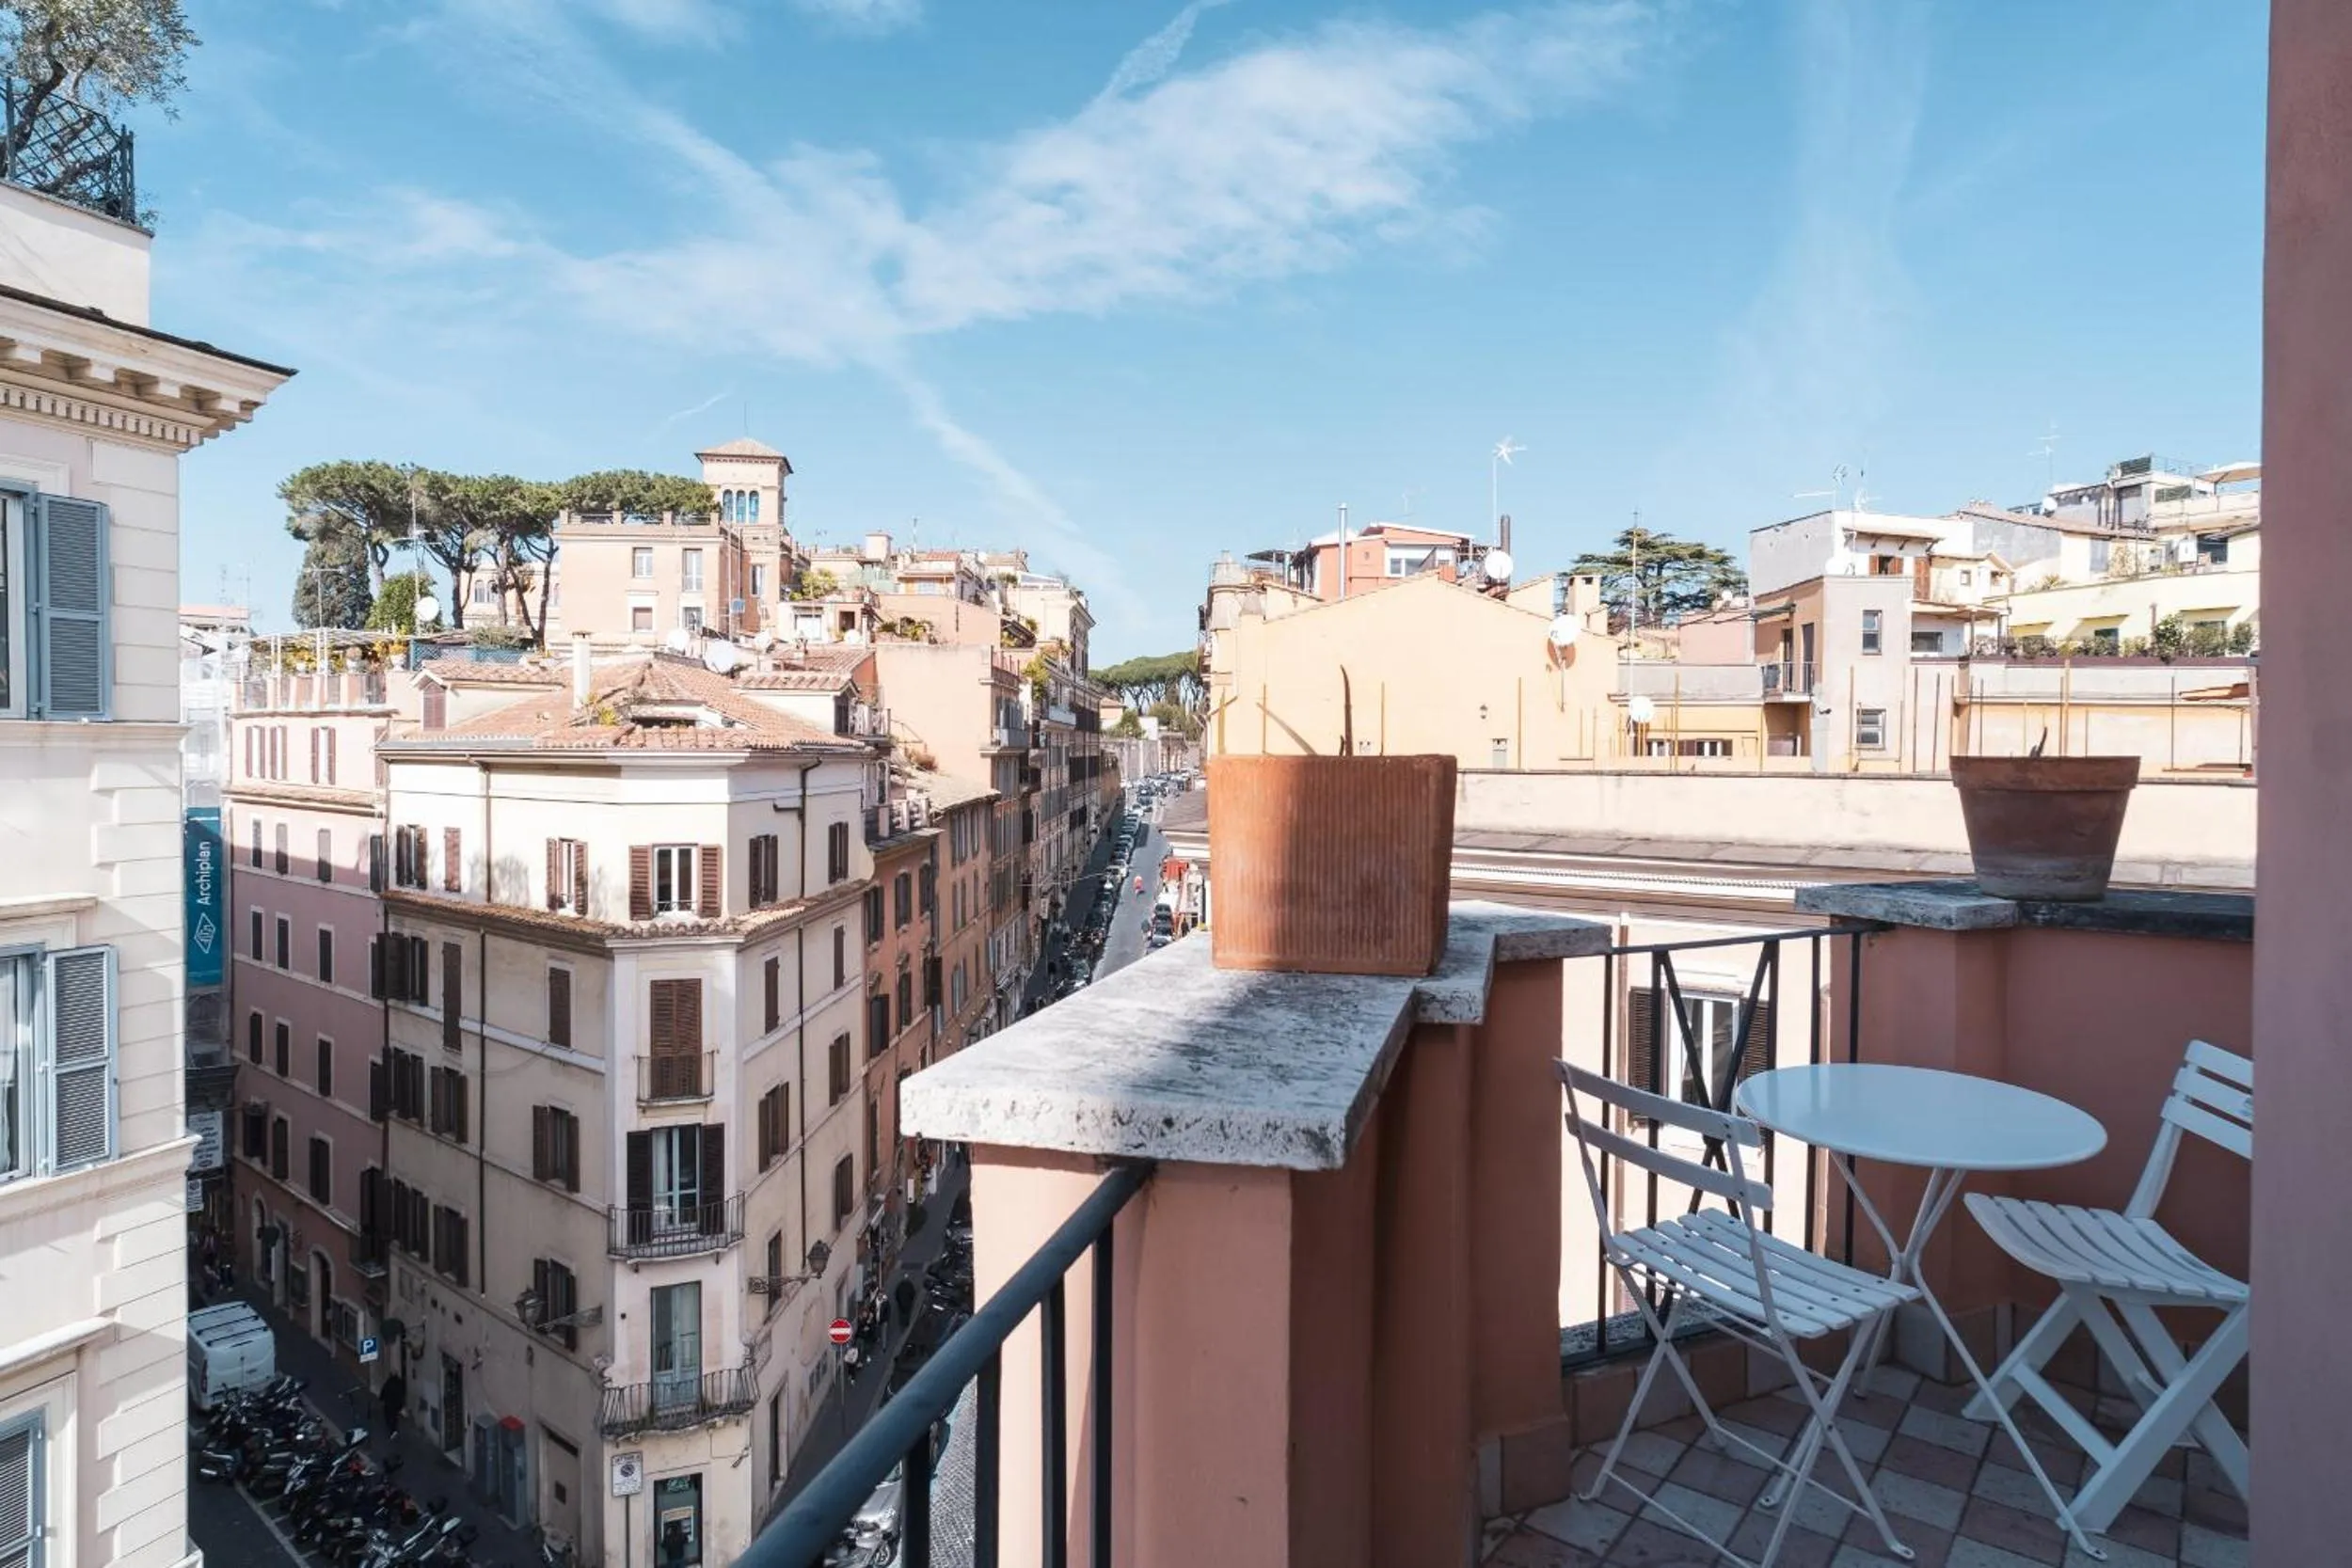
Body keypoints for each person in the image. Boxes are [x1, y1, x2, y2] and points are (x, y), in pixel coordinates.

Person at [380, 1370, 406, 1440]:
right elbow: (402, 1392)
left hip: (389, 1403)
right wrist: (402, 1403)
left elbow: (384, 1390)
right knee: (395, 1416)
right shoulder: (400, 1382)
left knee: (388, 1415)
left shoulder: (388, 1382)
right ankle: (394, 1429)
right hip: (396, 1403)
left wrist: (381, 1398)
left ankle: (391, 1428)